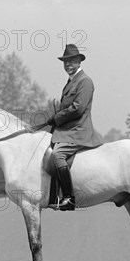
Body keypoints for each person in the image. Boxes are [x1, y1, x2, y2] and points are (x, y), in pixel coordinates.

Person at [45, 44, 103, 211]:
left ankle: (69, 198)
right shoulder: (71, 81)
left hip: (79, 130)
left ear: (79, 61)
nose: (68, 64)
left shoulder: (85, 81)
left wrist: (57, 118)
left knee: (57, 155)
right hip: (68, 130)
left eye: (71, 61)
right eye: (65, 62)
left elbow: (78, 108)